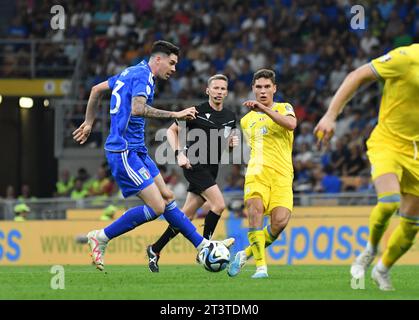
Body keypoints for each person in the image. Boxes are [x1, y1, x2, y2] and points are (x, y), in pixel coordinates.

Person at [72, 40, 233, 271]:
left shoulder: (130, 72)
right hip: (124, 151)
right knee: (157, 207)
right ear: (158, 59)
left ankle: (202, 245)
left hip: (137, 149)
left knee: (167, 196)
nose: (174, 68)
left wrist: (89, 123)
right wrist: (175, 113)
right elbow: (138, 109)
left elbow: (96, 90)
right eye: (172, 62)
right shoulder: (142, 76)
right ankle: (101, 236)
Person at [314, 44, 419, 291]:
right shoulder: (406, 58)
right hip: (388, 143)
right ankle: (371, 248)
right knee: (390, 201)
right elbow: (357, 75)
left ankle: (382, 269)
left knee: (412, 223)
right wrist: (330, 115)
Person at [146, 74, 238, 272]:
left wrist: (231, 146)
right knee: (219, 204)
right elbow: (171, 131)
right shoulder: (197, 111)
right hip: (194, 165)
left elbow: (224, 146)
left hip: (212, 169)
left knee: (185, 217)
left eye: (223, 89)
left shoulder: (231, 117)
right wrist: (179, 154)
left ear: (226, 92)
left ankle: (155, 249)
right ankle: (205, 248)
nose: (219, 92)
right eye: (216, 88)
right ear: (208, 91)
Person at [228, 69, 297, 278]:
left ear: (274, 88)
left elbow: (291, 124)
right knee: (255, 211)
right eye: (259, 87)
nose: (263, 91)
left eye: (267, 87)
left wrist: (263, 109)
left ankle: (244, 254)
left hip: (283, 174)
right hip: (257, 172)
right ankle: (261, 268)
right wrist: (231, 145)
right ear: (253, 89)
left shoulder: (285, 108)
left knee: (279, 223)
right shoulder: (246, 120)